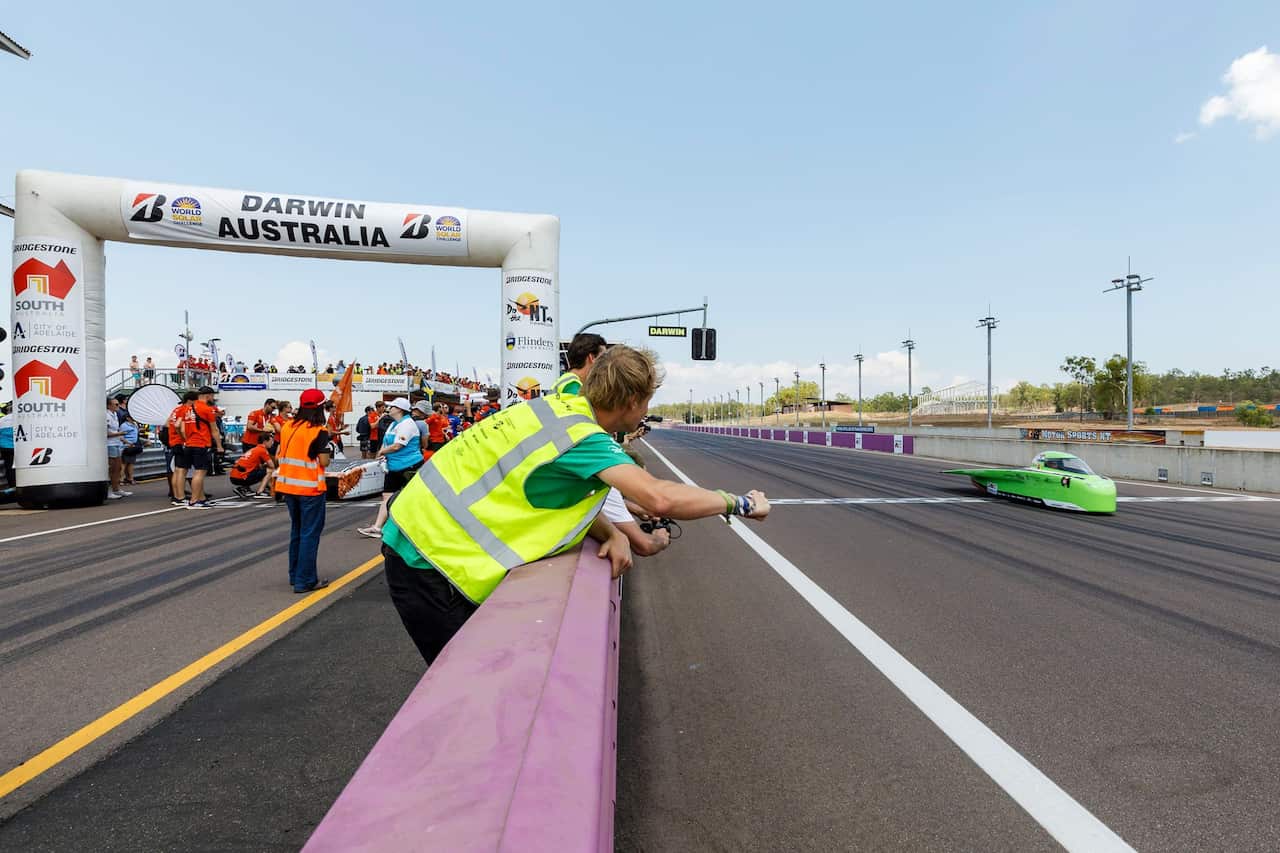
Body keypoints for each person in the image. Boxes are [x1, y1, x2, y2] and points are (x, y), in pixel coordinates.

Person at [380, 345, 770, 665]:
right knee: (470, 693)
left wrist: (610, 532)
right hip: (432, 559)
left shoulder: (555, 409)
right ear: (633, 401)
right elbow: (658, 497)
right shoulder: (583, 438)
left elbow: (550, 490)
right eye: (648, 401)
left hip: (415, 534)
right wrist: (738, 503)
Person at [276, 389, 332, 593]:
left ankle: (295, 575)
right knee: (310, 533)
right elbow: (324, 461)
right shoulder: (318, 430)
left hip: (288, 486)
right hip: (310, 488)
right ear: (320, 407)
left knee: (297, 531)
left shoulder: (288, 426)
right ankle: (305, 580)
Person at [358, 397, 424, 538]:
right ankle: (378, 527)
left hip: (408, 465)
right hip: (393, 466)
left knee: (410, 497)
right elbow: (387, 442)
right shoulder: (394, 424)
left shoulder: (407, 424)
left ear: (399, 409)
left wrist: (382, 452)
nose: (389, 409)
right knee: (387, 496)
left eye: (392, 407)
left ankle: (415, 527)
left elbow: (397, 446)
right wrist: (382, 454)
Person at [182, 385, 224, 508]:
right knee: (200, 473)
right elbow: (214, 429)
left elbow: (183, 428)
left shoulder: (188, 408)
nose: (213, 398)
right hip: (201, 443)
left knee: (194, 472)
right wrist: (219, 446)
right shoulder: (207, 409)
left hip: (189, 443)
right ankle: (194, 500)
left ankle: (201, 498)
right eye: (212, 396)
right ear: (208, 396)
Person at [167, 392, 195, 505]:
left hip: (173, 441)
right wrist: (185, 438)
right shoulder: (185, 410)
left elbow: (167, 424)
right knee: (182, 471)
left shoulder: (176, 409)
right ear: (190, 400)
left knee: (177, 470)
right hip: (181, 442)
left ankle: (176, 495)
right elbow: (179, 426)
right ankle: (180, 496)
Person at [230, 433, 276, 498]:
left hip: (234, 476)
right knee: (270, 470)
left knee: (261, 471)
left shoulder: (254, 449)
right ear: (265, 441)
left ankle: (242, 488)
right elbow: (272, 466)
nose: (272, 443)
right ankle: (260, 491)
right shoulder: (262, 450)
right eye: (271, 441)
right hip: (242, 476)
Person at [106, 397, 130, 500]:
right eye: (115, 404)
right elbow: (106, 433)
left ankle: (116, 489)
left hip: (116, 443)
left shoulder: (115, 415)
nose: (118, 406)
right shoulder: (106, 415)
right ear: (109, 406)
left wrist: (125, 440)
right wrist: (120, 434)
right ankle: (108, 491)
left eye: (118, 404)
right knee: (111, 469)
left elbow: (115, 431)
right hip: (110, 444)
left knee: (118, 468)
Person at [120, 412, 143, 485]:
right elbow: (121, 437)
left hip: (133, 446)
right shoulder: (124, 425)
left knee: (131, 463)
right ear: (127, 418)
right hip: (126, 447)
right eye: (132, 417)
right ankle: (121, 480)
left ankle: (130, 478)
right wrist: (128, 443)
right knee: (124, 464)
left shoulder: (135, 424)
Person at [0, 403, 15, 491]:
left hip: (5, 448)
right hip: (17, 447)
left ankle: (11, 486)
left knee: (9, 467)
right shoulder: (19, 418)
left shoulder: (2, 420)